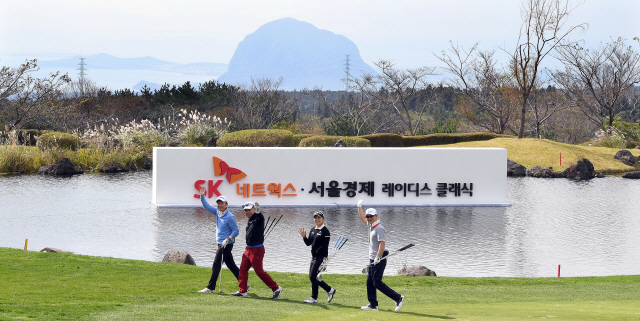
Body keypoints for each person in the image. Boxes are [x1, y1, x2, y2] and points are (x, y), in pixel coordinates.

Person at [357, 197, 404, 312]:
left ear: (376, 216)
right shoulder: (371, 225)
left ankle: (398, 298)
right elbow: (362, 217)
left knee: (377, 282)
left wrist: (378, 256)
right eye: (368, 216)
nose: (368, 218)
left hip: (380, 258)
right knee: (369, 282)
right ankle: (373, 304)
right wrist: (359, 207)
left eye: (371, 216)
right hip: (372, 259)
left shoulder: (379, 228)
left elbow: (382, 244)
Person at [231, 201, 283, 299]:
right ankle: (243, 291)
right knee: (242, 270)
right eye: (245, 210)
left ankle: (276, 288)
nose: (247, 212)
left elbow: (259, 216)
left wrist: (258, 211)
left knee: (259, 272)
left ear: (253, 209)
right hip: (248, 250)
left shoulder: (258, 218)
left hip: (257, 250)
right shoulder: (250, 220)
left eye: (249, 210)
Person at [197, 187, 244, 294]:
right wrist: (202, 196)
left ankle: (210, 288)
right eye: (218, 203)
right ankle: (245, 284)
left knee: (216, 264)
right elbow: (207, 206)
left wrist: (228, 239)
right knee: (231, 265)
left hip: (226, 244)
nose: (219, 205)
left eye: (221, 203)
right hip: (220, 243)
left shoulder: (230, 217)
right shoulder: (218, 212)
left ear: (226, 204)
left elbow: (236, 231)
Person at [298, 211, 337, 304]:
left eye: (319, 218)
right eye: (315, 218)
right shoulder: (313, 230)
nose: (317, 219)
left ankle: (314, 298)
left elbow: (326, 246)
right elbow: (308, 243)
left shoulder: (325, 231)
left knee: (313, 277)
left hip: (320, 258)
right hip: (313, 257)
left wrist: (325, 260)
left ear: (323, 219)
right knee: (312, 277)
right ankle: (329, 290)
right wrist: (304, 237)